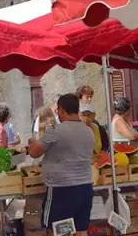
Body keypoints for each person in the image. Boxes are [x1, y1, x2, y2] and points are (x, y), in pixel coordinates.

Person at [28, 94, 95, 236]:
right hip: (85, 186)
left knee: (55, 230)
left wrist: (31, 142)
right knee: (81, 230)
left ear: (62, 110)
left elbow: (34, 153)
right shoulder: (89, 131)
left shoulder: (55, 131)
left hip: (61, 188)